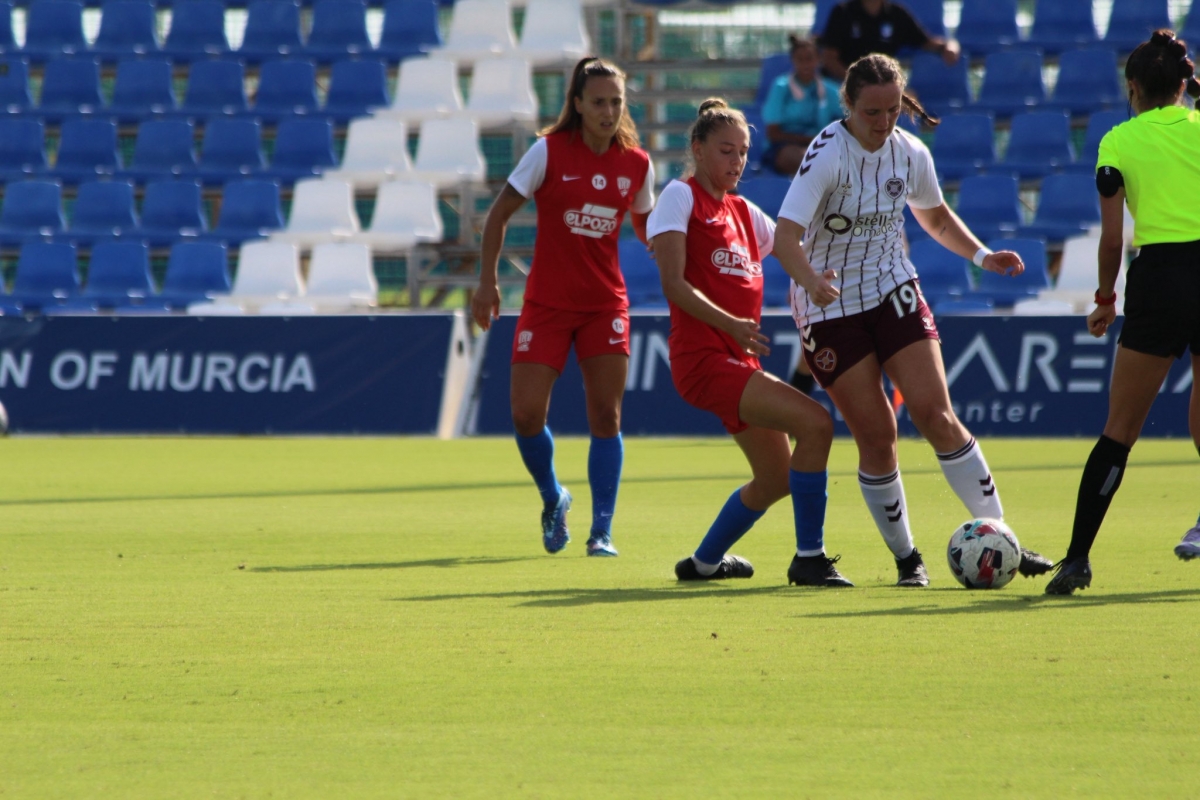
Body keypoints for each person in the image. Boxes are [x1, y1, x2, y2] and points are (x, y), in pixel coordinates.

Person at [771, 53, 1054, 586]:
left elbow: (935, 215)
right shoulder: (827, 153)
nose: (883, 123)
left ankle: (1003, 538)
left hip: (892, 288)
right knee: (878, 435)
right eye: (872, 112)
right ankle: (908, 560)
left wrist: (982, 256)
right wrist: (811, 280)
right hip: (829, 307)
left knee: (936, 416)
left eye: (893, 110)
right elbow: (786, 238)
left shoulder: (910, 153)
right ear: (848, 106)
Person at [648, 98, 850, 587]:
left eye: (742, 152)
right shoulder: (680, 196)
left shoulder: (742, 210)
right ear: (697, 150)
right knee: (816, 424)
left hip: (736, 362)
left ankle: (702, 564)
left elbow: (789, 247)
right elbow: (673, 284)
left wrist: (815, 274)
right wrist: (733, 325)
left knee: (778, 477)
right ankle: (809, 558)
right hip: (703, 360)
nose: (736, 161)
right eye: (725, 151)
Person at [471, 57, 655, 558]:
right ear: (576, 104)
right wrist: (486, 283)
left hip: (604, 305)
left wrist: (666, 244)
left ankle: (602, 530)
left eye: (616, 102)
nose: (608, 110)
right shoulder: (547, 152)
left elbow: (645, 223)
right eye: (598, 101)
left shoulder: (636, 164)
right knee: (526, 415)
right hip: (547, 304)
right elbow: (498, 215)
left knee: (607, 416)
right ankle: (554, 496)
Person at [1046, 30, 1200, 595]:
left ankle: (1078, 559)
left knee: (1119, 431)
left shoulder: (1118, 141)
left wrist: (1106, 298)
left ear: (1132, 88)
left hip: (1159, 279)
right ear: (1184, 85)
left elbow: (1113, 241)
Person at [818, 0, 959, 81]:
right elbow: (830, 58)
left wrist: (950, 45)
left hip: (880, 86)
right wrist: (857, 82)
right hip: (843, 84)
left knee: (909, 101)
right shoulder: (842, 12)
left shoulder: (896, 15)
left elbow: (927, 42)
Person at [762, 35, 844, 177]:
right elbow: (773, 133)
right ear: (793, 60)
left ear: (819, 60)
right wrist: (808, 140)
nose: (805, 64)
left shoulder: (832, 90)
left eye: (810, 58)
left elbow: (850, 120)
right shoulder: (780, 87)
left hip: (822, 147)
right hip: (783, 148)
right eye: (800, 59)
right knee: (805, 159)